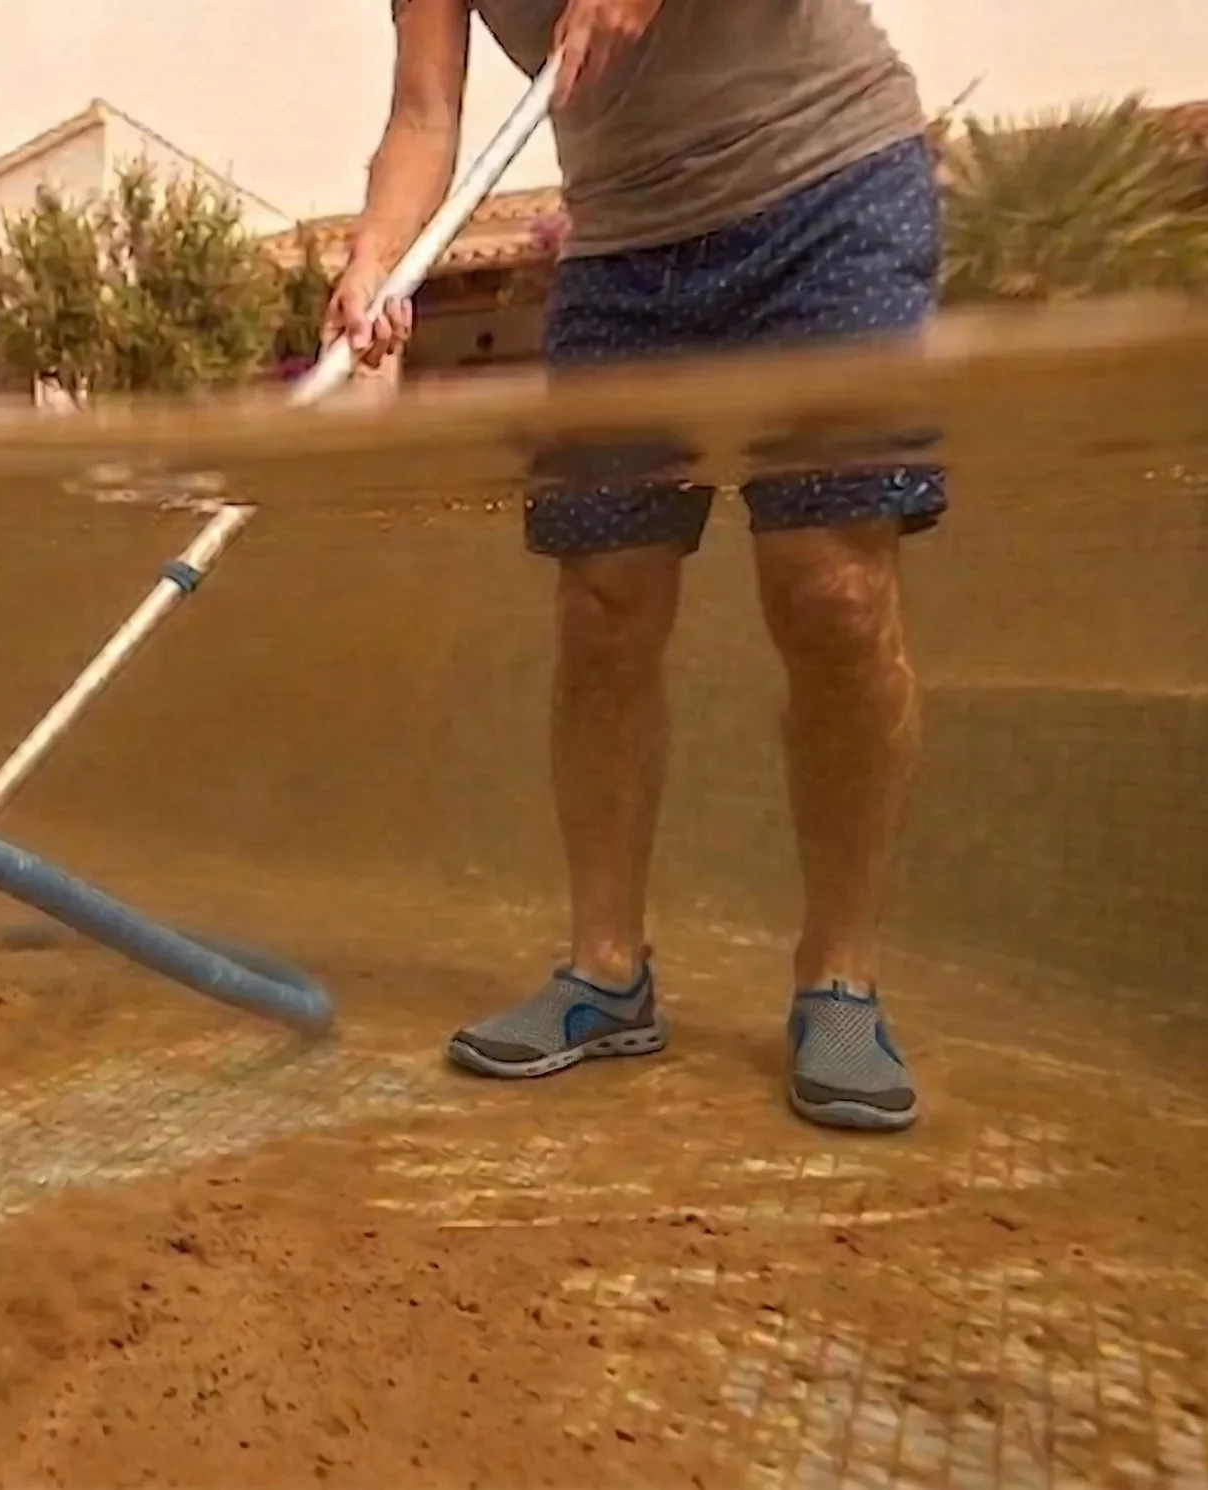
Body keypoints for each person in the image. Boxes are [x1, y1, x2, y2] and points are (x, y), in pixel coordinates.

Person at [325, 0, 943, 1132]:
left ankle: (837, 979)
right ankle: (606, 973)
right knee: (603, 604)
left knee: (832, 592)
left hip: (825, 188)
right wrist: (380, 249)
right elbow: (423, 114)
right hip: (623, 246)